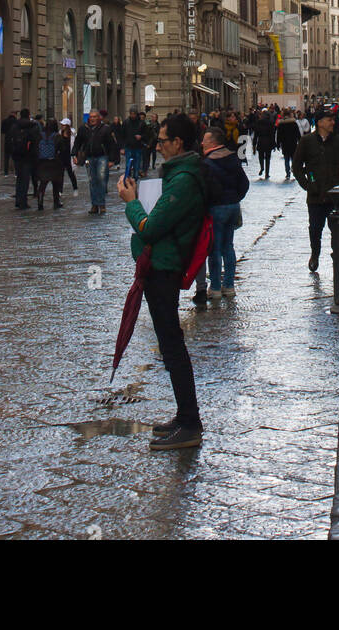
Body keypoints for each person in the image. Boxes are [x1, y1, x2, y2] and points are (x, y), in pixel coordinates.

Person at [117, 113, 207, 451]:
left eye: (163, 140)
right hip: (161, 264)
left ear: (178, 144)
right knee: (170, 344)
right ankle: (184, 416)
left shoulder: (183, 179)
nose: (158, 145)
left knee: (172, 344)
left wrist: (132, 204)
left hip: (165, 267)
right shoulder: (178, 175)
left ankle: (190, 421)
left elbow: (152, 228)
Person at [292, 105, 339, 272]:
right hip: (316, 195)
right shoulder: (306, 141)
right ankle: (315, 254)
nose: (333, 122)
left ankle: (338, 255)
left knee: (338, 228)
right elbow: (296, 167)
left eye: (333, 119)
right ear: (319, 123)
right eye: (329, 120)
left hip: (336, 194)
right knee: (315, 228)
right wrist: (308, 185)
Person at [201, 126, 249, 299]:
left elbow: (204, 190)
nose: (202, 143)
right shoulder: (233, 158)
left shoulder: (207, 163)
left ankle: (215, 287)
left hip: (216, 209)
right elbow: (244, 183)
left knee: (214, 248)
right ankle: (229, 286)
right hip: (233, 207)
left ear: (213, 142)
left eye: (205, 141)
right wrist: (235, 198)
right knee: (228, 247)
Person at [73, 109, 114, 215]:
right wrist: (74, 154)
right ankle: (95, 204)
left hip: (102, 157)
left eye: (95, 117)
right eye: (91, 117)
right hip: (89, 157)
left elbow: (111, 144)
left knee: (101, 180)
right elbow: (78, 142)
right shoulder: (83, 128)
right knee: (92, 181)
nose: (92, 119)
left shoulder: (105, 129)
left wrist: (112, 160)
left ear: (99, 118)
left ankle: (101, 204)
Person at [8, 109, 41, 211]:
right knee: (26, 179)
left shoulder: (15, 126)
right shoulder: (33, 126)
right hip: (28, 156)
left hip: (17, 156)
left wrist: (12, 152)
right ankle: (23, 201)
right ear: (29, 115)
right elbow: (37, 140)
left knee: (19, 178)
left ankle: (18, 200)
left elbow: (9, 139)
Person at [37, 119, 65, 210]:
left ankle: (40, 202)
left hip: (42, 162)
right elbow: (62, 150)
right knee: (55, 183)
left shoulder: (40, 135)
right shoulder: (57, 136)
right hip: (54, 162)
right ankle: (56, 202)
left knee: (43, 183)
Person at [275, 109, 302, 181]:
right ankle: (294, 171)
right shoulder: (294, 123)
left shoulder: (281, 124)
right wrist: (300, 141)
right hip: (293, 143)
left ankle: (287, 173)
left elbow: (279, 135)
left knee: (286, 159)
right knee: (293, 158)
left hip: (285, 144)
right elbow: (298, 133)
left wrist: (278, 144)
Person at [254, 110, 276, 180]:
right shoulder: (271, 123)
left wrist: (254, 144)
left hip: (260, 141)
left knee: (260, 156)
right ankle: (267, 173)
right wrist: (274, 144)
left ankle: (262, 167)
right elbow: (272, 135)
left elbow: (255, 134)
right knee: (268, 158)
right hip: (268, 142)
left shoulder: (258, 123)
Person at [123, 107, 144, 179]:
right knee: (128, 165)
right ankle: (128, 178)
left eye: (134, 114)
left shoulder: (141, 123)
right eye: (131, 114)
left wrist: (141, 136)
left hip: (138, 147)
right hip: (128, 146)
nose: (132, 115)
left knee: (136, 165)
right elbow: (123, 134)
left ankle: (135, 178)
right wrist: (122, 147)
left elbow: (147, 134)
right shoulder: (126, 122)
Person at [59, 118, 79, 192]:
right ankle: (60, 190)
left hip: (69, 156)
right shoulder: (60, 133)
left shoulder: (73, 134)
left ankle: (75, 188)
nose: (62, 126)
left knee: (71, 173)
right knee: (61, 175)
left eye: (63, 125)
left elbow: (76, 145)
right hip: (61, 156)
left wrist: (75, 155)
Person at [1, 110, 17, 175]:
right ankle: (16, 172)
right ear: (15, 114)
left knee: (6, 158)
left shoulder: (4, 121)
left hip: (7, 140)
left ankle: (6, 173)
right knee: (15, 158)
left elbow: (2, 131)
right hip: (14, 141)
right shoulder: (16, 122)